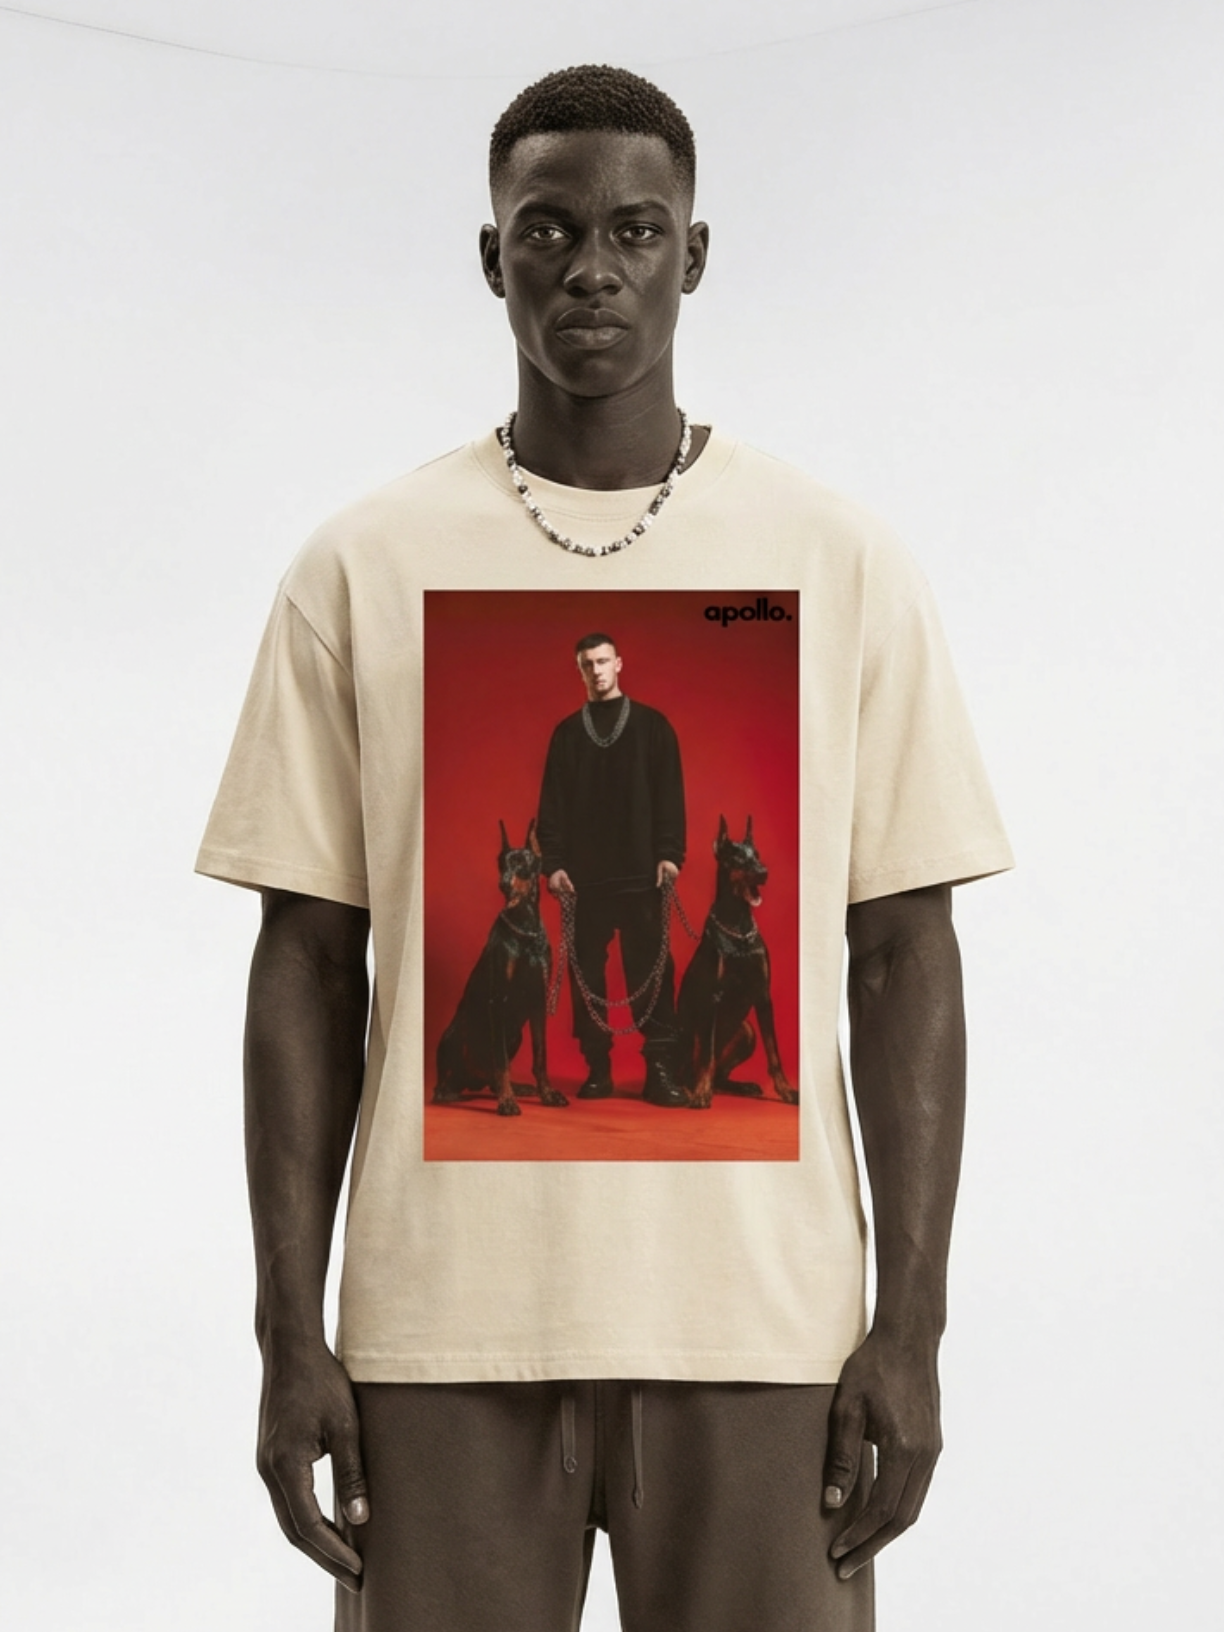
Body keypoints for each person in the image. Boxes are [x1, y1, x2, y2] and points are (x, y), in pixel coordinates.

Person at [197, 64, 1013, 1632]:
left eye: (635, 230)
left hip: (766, 1335)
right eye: (549, 229)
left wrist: (911, 1330)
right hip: (437, 1339)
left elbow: (906, 951)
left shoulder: (839, 559)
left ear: (692, 256)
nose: (592, 267)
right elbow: (303, 963)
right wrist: (287, 1335)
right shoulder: (361, 566)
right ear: (491, 254)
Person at [537, 631, 687, 1106]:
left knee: (653, 970)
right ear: (578, 669)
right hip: (584, 880)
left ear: (619, 663)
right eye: (587, 663)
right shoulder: (566, 734)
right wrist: (554, 865)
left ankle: (659, 1069)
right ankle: (597, 1066)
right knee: (586, 975)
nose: (596, 671)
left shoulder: (653, 727)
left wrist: (670, 854)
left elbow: (670, 795)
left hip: (642, 873)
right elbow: (552, 806)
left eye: (603, 661)